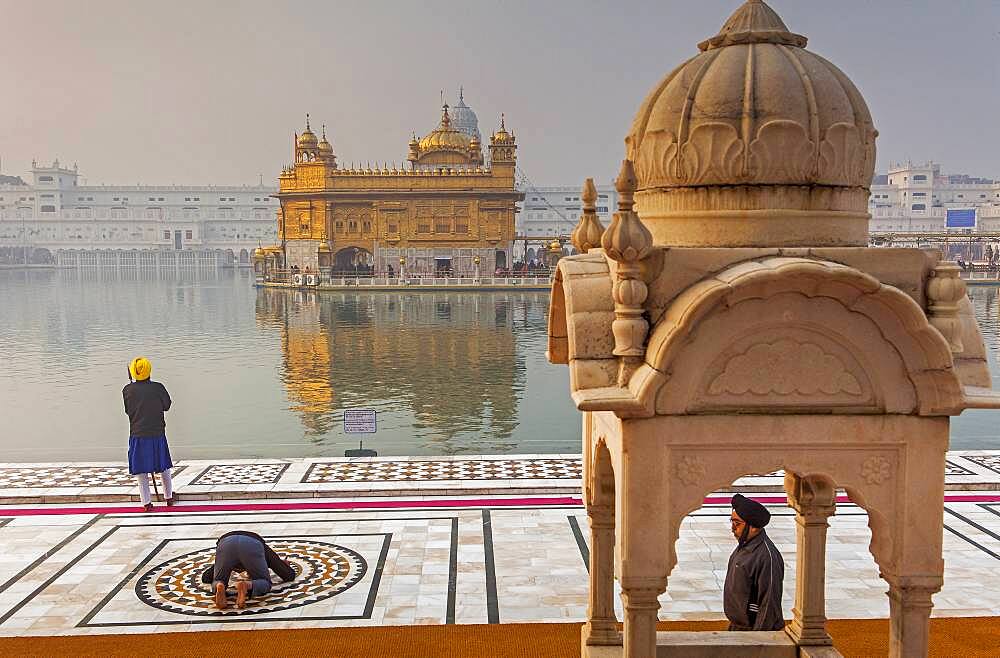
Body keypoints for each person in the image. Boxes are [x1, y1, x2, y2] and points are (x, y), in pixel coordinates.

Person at [724, 494, 785, 631]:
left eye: (737, 523)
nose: (733, 528)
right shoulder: (744, 546)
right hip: (739, 628)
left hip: (753, 630)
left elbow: (769, 603)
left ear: (754, 527)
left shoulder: (766, 557)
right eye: (732, 522)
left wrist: (757, 640)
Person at [122, 357, 175, 511]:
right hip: (157, 432)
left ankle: (146, 502)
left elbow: (128, 411)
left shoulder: (127, 390)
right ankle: (168, 496)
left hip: (138, 433)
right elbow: (167, 405)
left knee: (141, 470)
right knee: (163, 465)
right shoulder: (158, 388)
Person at [200, 531, 297, 609]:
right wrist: (283, 565)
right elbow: (289, 575)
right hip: (252, 544)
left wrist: (221, 567)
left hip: (225, 544)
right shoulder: (262, 548)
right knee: (265, 582)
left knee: (218, 579)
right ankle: (246, 585)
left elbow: (205, 578)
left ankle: (219, 586)